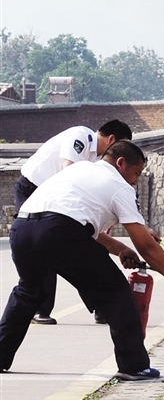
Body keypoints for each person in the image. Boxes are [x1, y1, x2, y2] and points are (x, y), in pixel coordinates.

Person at [0, 140, 164, 380]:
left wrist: (119, 248)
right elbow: (147, 247)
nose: (135, 181)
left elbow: (77, 220)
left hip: (23, 227)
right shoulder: (119, 185)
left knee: (28, 292)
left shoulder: (80, 169)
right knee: (115, 292)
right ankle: (134, 365)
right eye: (136, 173)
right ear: (121, 163)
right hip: (60, 231)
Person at [15, 120, 133, 325]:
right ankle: (39, 308)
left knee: (83, 247)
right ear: (112, 140)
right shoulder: (80, 136)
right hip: (33, 190)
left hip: (58, 201)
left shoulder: (98, 159)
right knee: (47, 246)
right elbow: (70, 175)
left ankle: (101, 305)